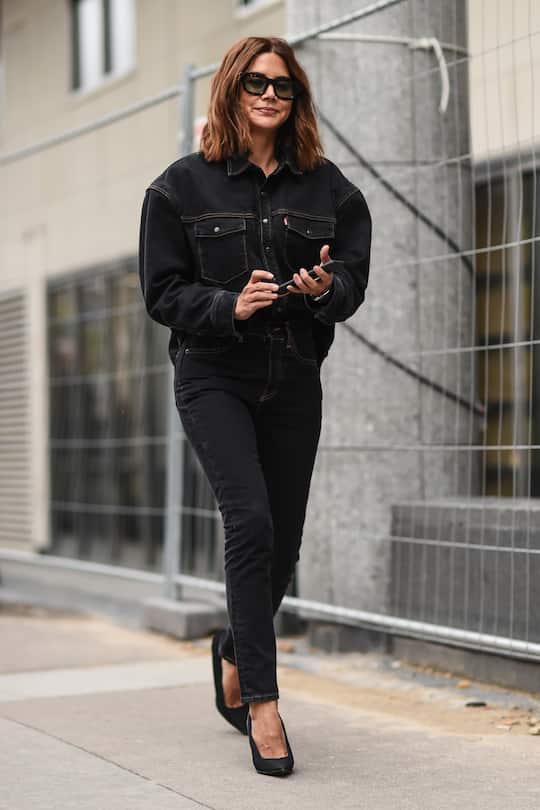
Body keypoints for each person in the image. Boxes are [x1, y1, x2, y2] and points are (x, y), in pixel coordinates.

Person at [138, 35, 372, 777]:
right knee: (251, 521)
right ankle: (263, 702)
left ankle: (237, 647)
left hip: (295, 375)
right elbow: (163, 293)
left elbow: (353, 283)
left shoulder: (331, 189)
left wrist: (322, 293)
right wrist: (228, 304)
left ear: (296, 98)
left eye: (284, 86)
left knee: (286, 541)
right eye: (256, 83)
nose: (271, 95)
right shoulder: (180, 188)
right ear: (232, 90)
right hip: (214, 375)